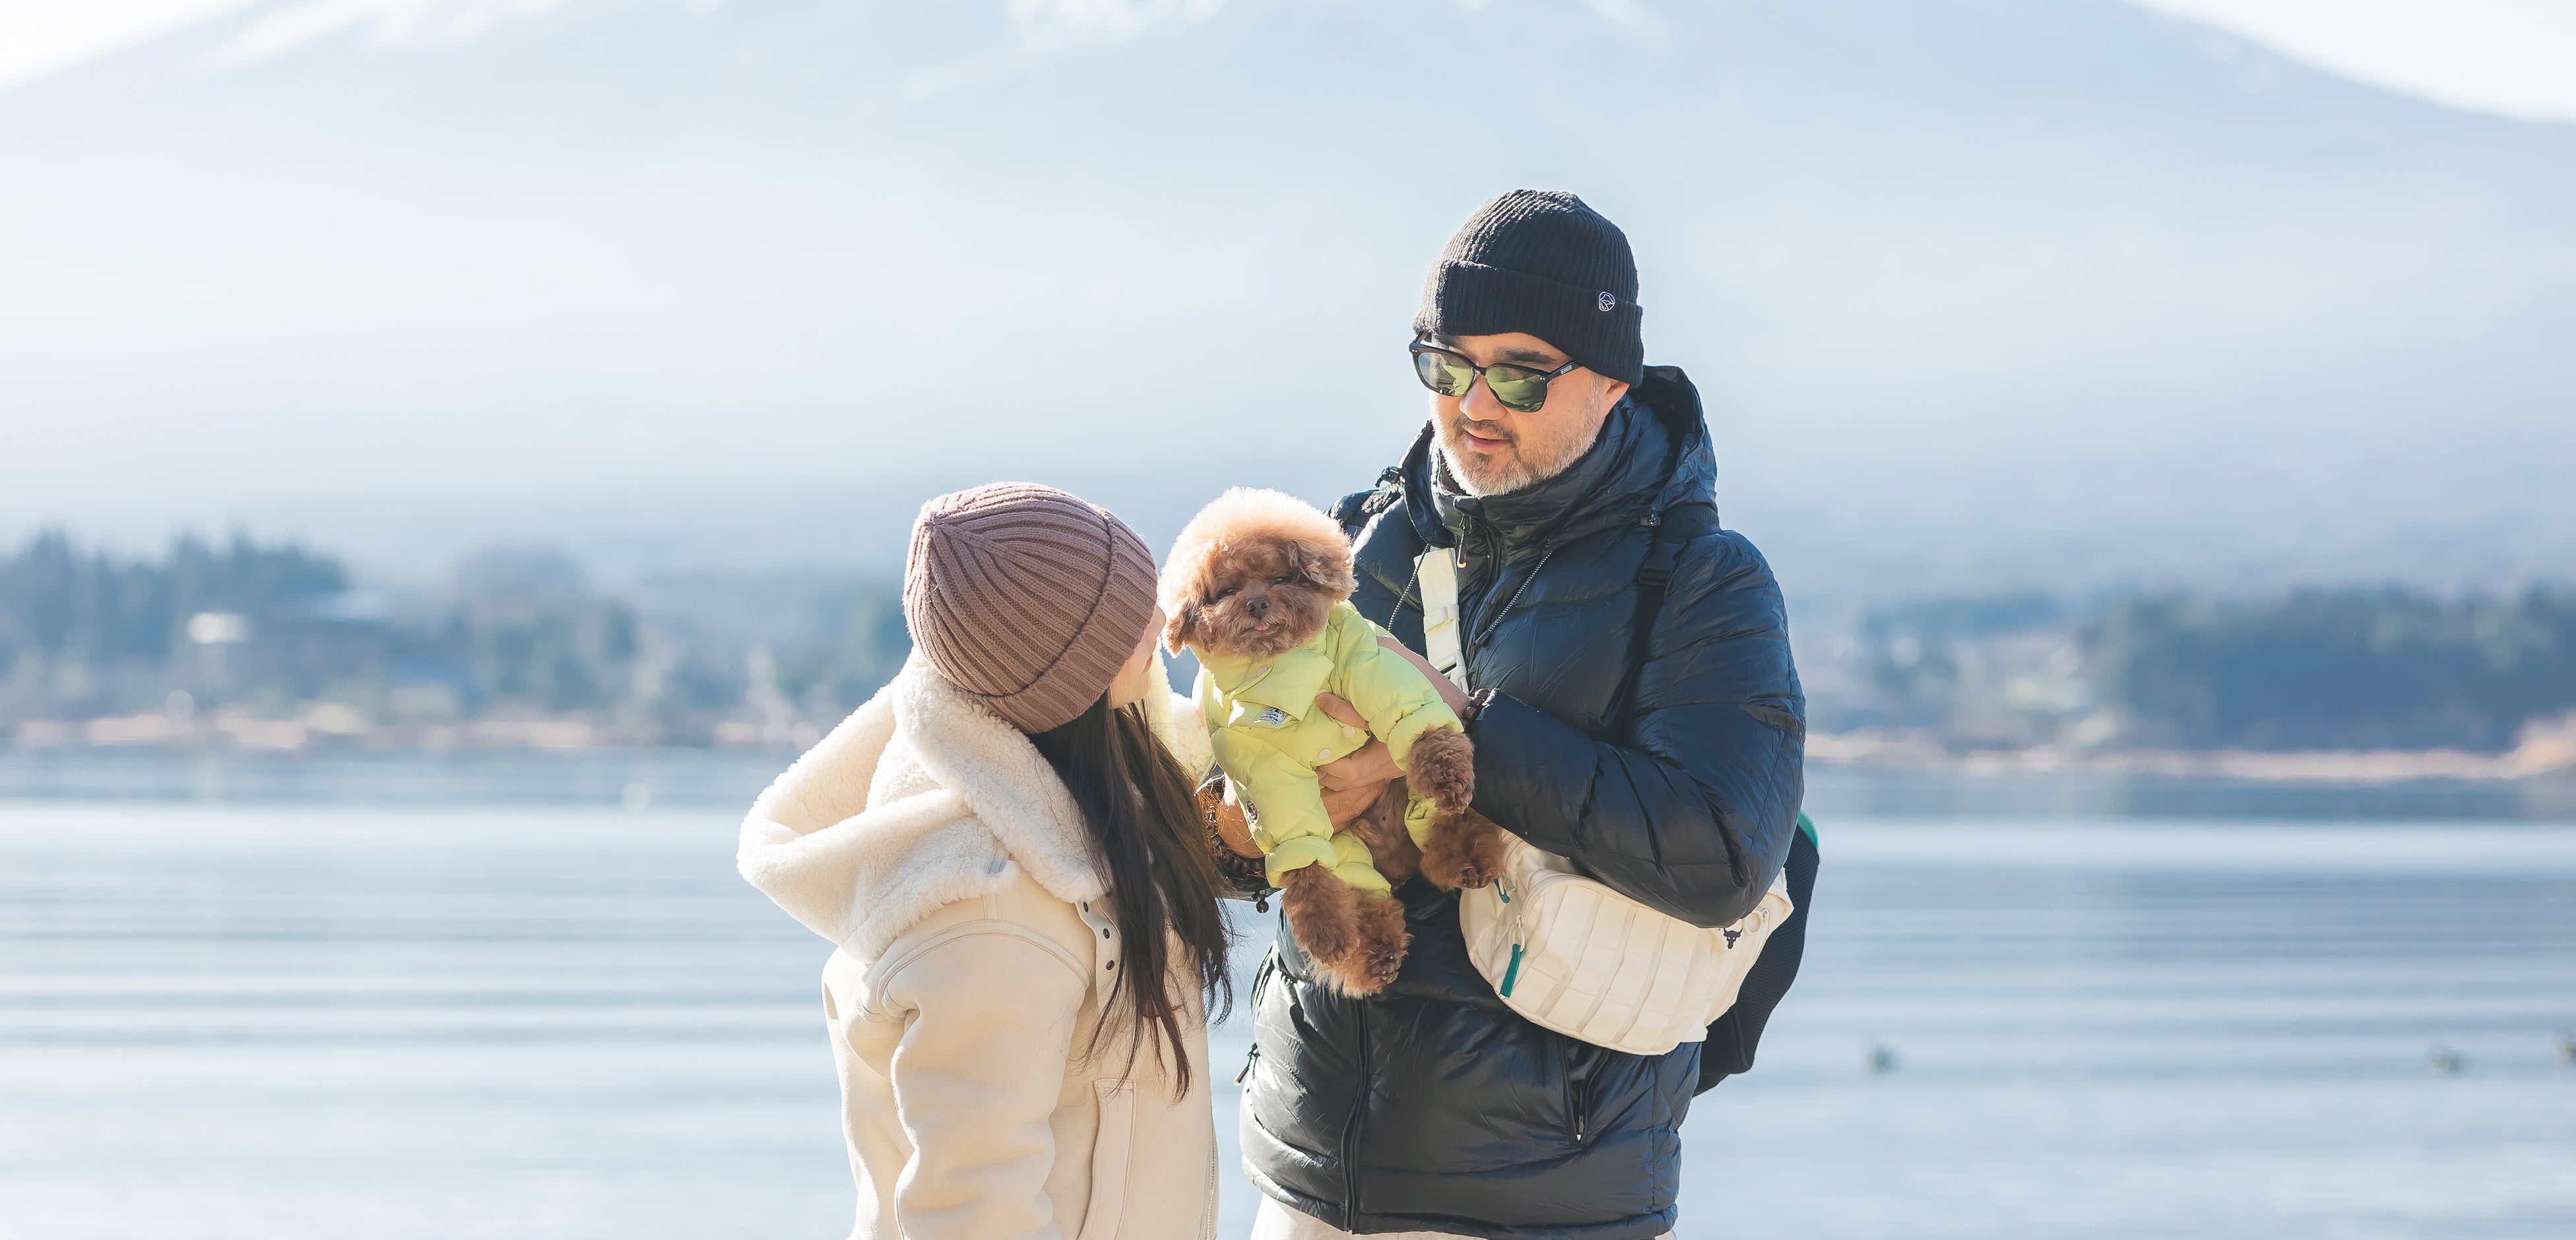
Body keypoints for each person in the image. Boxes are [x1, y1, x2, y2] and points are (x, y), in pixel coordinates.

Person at [1240, 191, 1816, 1240]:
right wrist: (1245, 814)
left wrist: (1455, 732)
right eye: (1445, 365)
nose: (1473, 404)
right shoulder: (1349, 545)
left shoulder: (1701, 579)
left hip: (1543, 1202)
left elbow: (1721, 855)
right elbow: (1236, 824)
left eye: (1518, 374)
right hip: (1306, 1179)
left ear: (1612, 380)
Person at [740, 481, 1233, 1240]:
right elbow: (971, 1213)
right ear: (1064, 681)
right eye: (1127, 617)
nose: (1160, 620)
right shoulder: (989, 909)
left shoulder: (1076, 786)